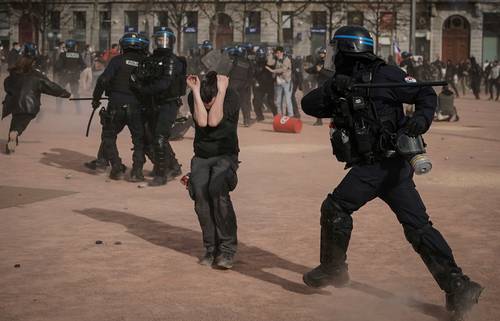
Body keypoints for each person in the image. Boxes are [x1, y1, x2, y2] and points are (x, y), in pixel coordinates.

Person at [300, 26, 482, 321]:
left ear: (349, 51)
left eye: (337, 50)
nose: (333, 56)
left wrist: (420, 121)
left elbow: (425, 93)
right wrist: (334, 88)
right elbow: (309, 105)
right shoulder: (343, 82)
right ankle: (458, 286)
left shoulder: (386, 75)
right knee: (419, 227)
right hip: (385, 169)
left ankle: (333, 269)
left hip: (382, 164)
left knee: (335, 207)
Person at [186, 72, 240, 269]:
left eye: (211, 101)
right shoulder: (194, 95)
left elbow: (214, 120)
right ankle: (211, 249)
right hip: (201, 156)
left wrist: (222, 91)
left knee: (218, 193)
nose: (207, 106)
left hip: (225, 155)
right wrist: (195, 92)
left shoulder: (231, 96)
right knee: (201, 196)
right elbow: (202, 121)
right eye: (204, 101)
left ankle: (227, 250)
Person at [130, 27, 186, 186]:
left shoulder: (172, 60)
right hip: (152, 103)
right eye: (159, 39)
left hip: (168, 103)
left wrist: (143, 89)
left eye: (164, 39)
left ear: (171, 41)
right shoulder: (151, 58)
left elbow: (165, 83)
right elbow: (143, 76)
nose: (162, 42)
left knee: (160, 138)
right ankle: (173, 166)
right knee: (151, 136)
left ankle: (162, 174)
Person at [91, 32, 149, 181]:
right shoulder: (147, 62)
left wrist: (96, 99)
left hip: (116, 104)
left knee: (109, 136)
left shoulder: (117, 60)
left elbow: (103, 80)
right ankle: (137, 171)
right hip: (137, 106)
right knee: (139, 140)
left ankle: (116, 167)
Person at [2, 43, 70, 154]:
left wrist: (12, 93)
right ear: (33, 60)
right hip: (29, 105)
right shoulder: (37, 75)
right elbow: (50, 86)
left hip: (14, 103)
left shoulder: (14, 72)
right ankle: (15, 134)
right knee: (20, 124)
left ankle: (11, 143)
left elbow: (7, 85)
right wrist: (65, 94)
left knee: (16, 120)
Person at [55, 39, 86, 113]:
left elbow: (58, 66)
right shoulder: (78, 54)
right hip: (74, 76)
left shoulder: (63, 55)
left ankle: (59, 109)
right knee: (75, 92)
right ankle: (78, 109)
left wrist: (61, 71)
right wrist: (77, 70)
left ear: (67, 46)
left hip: (64, 76)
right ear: (74, 46)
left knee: (60, 91)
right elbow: (83, 65)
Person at [305, 47, 333, 126]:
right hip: (321, 84)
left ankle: (333, 121)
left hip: (328, 85)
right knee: (319, 102)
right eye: (320, 53)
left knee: (331, 102)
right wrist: (307, 70)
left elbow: (331, 74)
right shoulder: (319, 62)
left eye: (322, 53)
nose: (321, 55)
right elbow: (314, 70)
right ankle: (319, 120)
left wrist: (321, 70)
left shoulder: (330, 63)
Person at [228, 47, 254, 127]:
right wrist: (248, 83)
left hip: (233, 84)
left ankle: (230, 121)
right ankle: (247, 121)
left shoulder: (232, 61)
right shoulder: (248, 62)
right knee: (244, 103)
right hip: (244, 85)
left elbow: (227, 71)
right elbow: (251, 74)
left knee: (231, 103)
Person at [266, 46, 293, 117]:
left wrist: (272, 70)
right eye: (276, 53)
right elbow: (269, 63)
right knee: (277, 101)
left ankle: (291, 115)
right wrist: (271, 53)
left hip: (287, 82)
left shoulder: (286, 59)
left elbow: (283, 69)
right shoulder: (276, 59)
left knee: (287, 100)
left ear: (282, 53)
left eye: (278, 53)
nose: (277, 54)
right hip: (278, 82)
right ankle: (280, 116)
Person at [252, 47, 277, 119]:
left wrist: (270, 55)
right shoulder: (255, 64)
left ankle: (276, 115)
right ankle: (259, 116)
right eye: (259, 55)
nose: (260, 57)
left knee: (271, 101)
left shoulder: (269, 62)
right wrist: (254, 81)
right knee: (256, 101)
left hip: (269, 84)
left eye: (262, 55)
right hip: (259, 85)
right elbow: (252, 74)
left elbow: (274, 67)